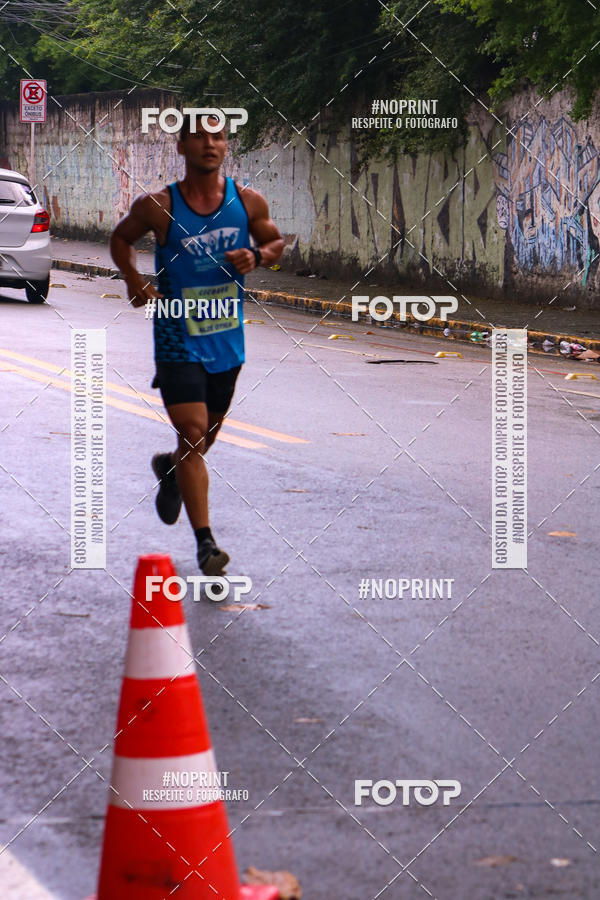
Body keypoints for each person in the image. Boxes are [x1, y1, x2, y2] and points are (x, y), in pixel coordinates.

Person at [110, 113, 284, 573]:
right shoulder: (159, 207)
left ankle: (171, 470)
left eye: (218, 137)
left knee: (199, 443)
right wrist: (132, 278)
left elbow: (275, 243)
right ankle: (206, 543)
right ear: (182, 147)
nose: (210, 144)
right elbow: (121, 238)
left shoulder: (247, 202)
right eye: (200, 137)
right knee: (191, 433)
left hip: (227, 338)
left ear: (226, 147)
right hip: (175, 333)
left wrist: (258, 255)